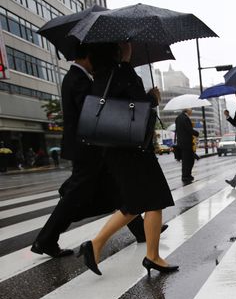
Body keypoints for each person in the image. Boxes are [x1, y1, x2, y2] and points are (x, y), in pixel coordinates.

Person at [31, 44, 151, 258]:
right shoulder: (77, 79)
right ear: (88, 55)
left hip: (90, 146)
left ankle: (142, 231)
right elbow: (93, 109)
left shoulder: (79, 78)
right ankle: (45, 239)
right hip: (86, 148)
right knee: (75, 195)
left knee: (117, 190)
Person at [78, 42, 176, 276]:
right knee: (155, 198)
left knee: (134, 203)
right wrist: (152, 99)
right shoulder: (123, 72)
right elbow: (138, 107)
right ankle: (152, 256)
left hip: (114, 149)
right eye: (125, 46)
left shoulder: (100, 77)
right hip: (133, 148)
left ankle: (95, 244)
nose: (130, 47)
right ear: (118, 50)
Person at [176, 108, 199, 184]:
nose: (191, 111)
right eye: (191, 109)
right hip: (187, 143)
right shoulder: (185, 118)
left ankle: (186, 176)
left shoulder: (178, 118)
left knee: (186, 161)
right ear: (187, 110)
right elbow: (189, 130)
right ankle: (186, 177)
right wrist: (196, 133)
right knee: (189, 161)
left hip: (181, 143)